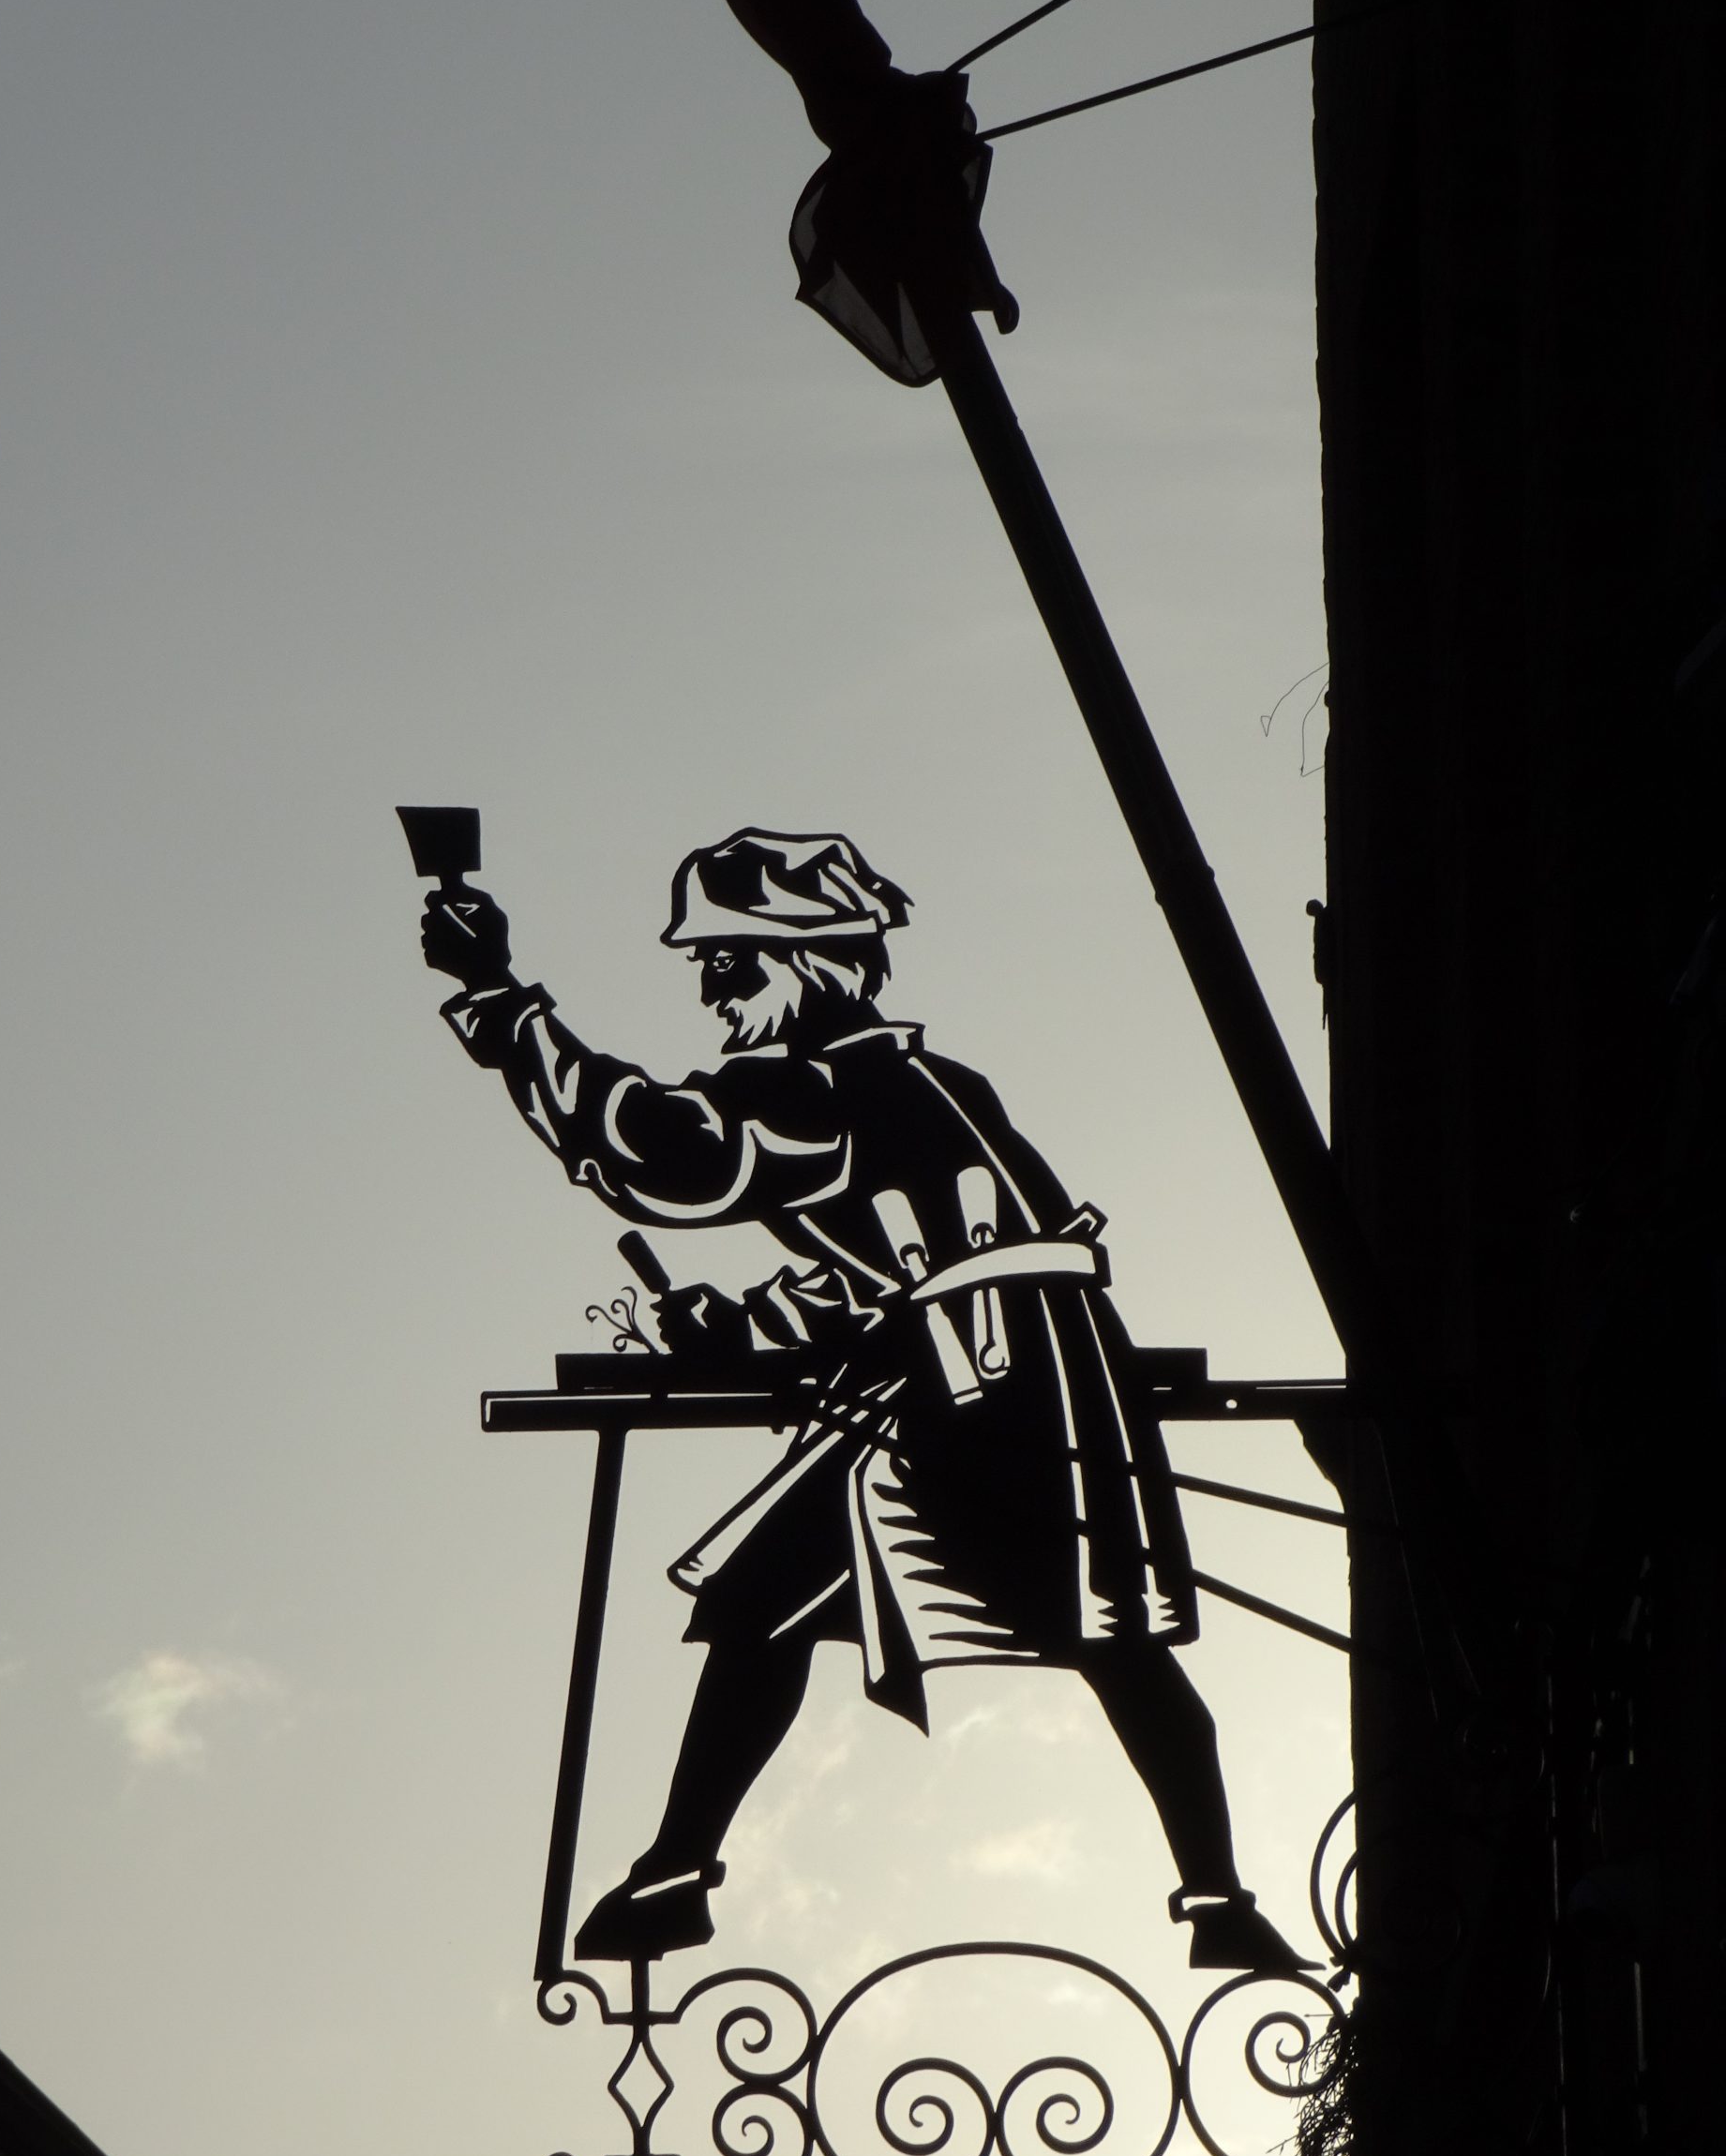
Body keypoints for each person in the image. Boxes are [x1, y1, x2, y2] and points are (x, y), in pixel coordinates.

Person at [421, 828, 1307, 1972]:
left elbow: (658, 1150)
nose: (710, 988)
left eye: (728, 961)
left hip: (982, 1393)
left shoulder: (815, 1089)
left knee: (1095, 1634)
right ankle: (679, 1875)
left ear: (803, 960)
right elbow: (897, 1267)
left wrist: (502, 1000)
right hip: (995, 1374)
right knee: (782, 1603)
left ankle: (1221, 1903)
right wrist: (755, 1321)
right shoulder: (932, 1083)